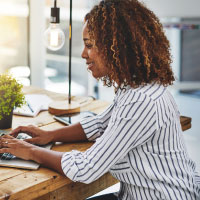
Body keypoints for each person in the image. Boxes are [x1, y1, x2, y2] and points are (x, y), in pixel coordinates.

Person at [0, 0, 200, 199]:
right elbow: (99, 125)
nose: (83, 54)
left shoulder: (140, 100)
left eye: (89, 45)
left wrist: (30, 151)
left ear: (116, 47)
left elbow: (86, 168)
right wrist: (50, 135)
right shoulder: (135, 86)